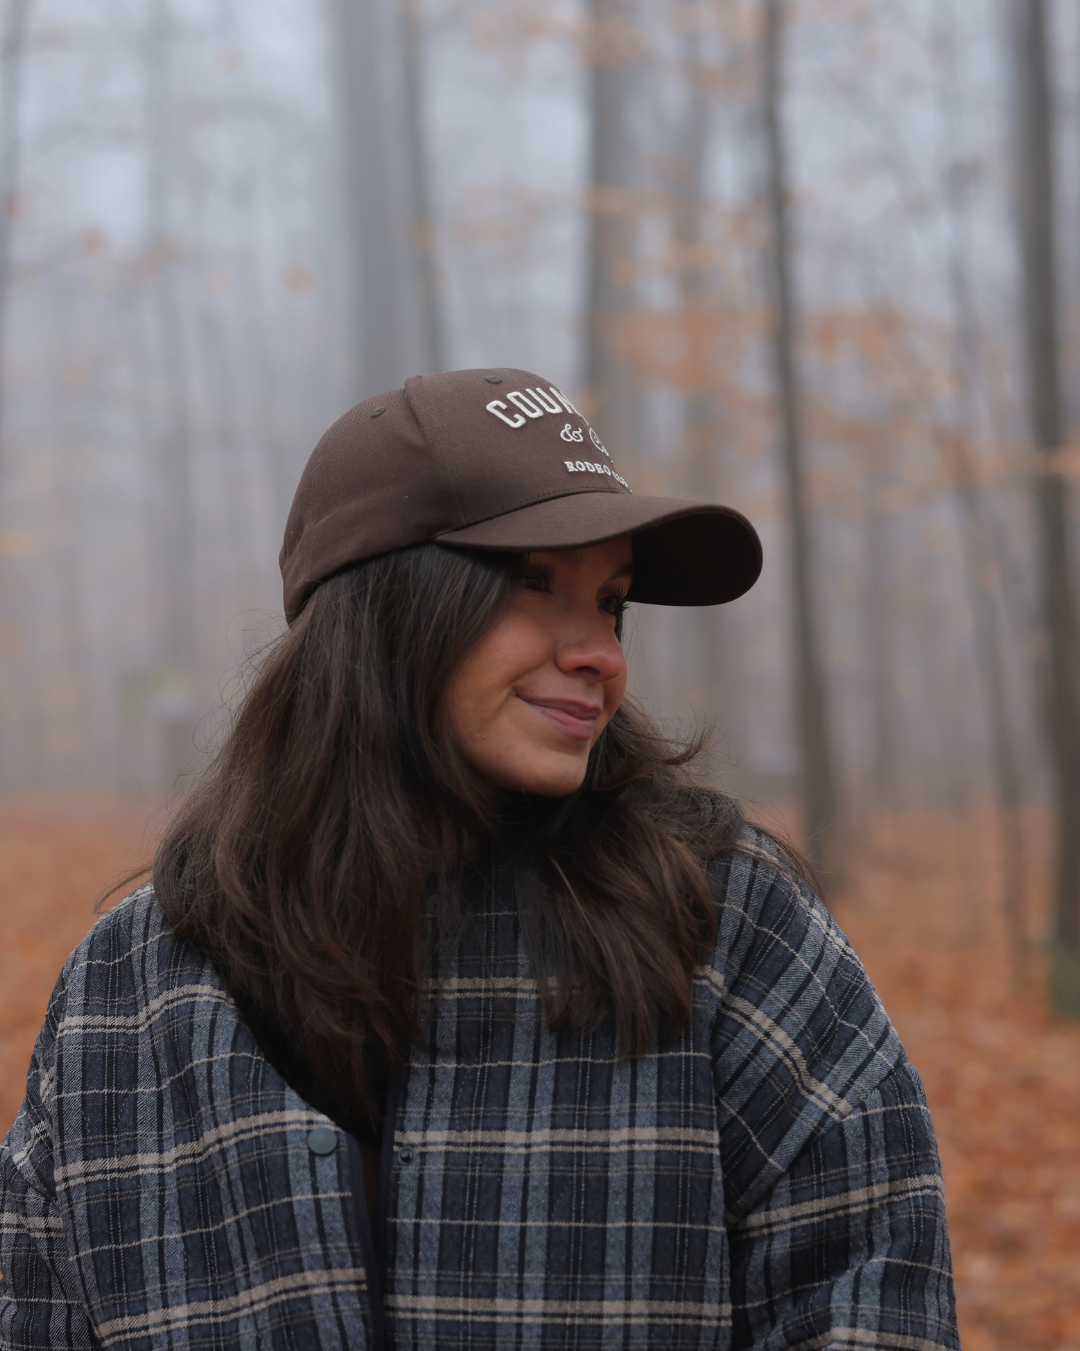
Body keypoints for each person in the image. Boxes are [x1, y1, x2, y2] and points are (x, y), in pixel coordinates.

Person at [0, 368, 958, 1350]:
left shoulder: (720, 924)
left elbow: (876, 1291)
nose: (602, 654)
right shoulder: (132, 990)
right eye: (535, 582)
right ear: (386, 605)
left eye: (612, 602)